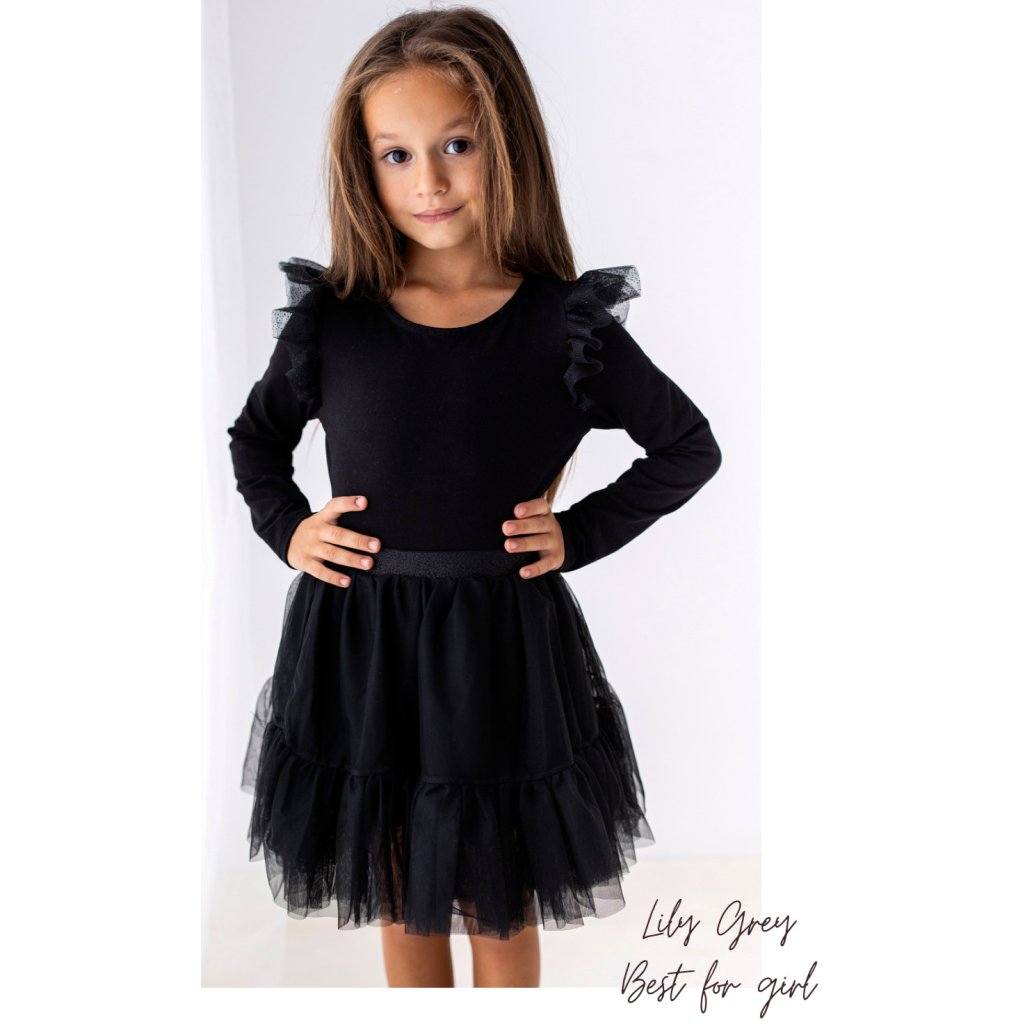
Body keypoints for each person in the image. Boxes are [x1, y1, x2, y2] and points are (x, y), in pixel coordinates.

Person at [226, 5, 723, 988]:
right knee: (397, 877)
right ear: (362, 168)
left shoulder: (562, 327)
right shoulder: (336, 322)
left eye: (456, 145)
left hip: (499, 650)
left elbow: (685, 446)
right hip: (362, 646)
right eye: (396, 155)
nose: (430, 181)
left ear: (506, 142)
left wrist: (575, 534)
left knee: (498, 891)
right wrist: (290, 530)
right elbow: (256, 441)